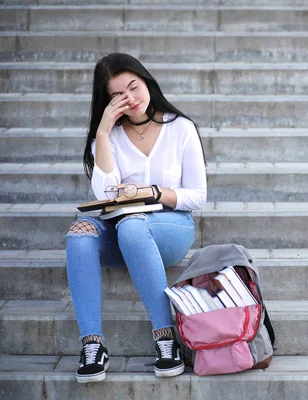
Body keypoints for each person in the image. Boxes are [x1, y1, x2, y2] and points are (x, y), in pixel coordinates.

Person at [65, 53, 207, 383]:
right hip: (120, 228)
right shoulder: (108, 135)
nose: (129, 98)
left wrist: (152, 193)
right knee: (79, 232)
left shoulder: (181, 128)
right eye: (118, 95)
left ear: (146, 82)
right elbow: (103, 193)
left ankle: (166, 338)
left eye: (133, 87)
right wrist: (102, 131)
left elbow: (197, 195)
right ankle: (92, 345)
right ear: (107, 102)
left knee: (132, 226)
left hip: (169, 226)